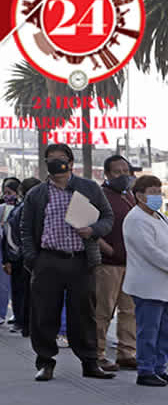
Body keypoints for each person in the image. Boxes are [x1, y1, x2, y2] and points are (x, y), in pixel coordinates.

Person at [20, 144, 116, 381]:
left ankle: (90, 362)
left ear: (71, 162)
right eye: (50, 159)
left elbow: (108, 217)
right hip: (48, 260)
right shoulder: (37, 194)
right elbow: (25, 229)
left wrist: (93, 230)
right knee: (44, 313)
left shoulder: (89, 188)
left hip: (80, 260)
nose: (56, 163)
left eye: (60, 159)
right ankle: (45, 362)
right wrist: (33, 259)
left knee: (84, 313)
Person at [121, 175, 168, 386]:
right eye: (152, 192)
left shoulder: (159, 216)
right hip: (148, 285)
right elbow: (150, 251)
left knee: (166, 329)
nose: (157, 196)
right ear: (139, 195)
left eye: (159, 192)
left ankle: (160, 367)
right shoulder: (135, 219)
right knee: (148, 330)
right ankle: (146, 369)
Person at [94, 156, 138, 372]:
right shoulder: (97, 195)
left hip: (131, 264)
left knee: (129, 311)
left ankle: (126, 353)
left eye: (126, 171)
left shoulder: (129, 195)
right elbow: (78, 221)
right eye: (117, 172)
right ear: (107, 174)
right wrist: (106, 248)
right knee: (103, 310)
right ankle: (97, 353)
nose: (123, 175)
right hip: (107, 264)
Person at [3, 178, 40, 336]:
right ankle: (26, 324)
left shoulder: (20, 209)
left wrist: (12, 256)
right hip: (27, 258)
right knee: (26, 293)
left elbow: (9, 236)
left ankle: (24, 323)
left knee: (22, 293)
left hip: (22, 258)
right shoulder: (28, 209)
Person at [0, 177, 18, 324]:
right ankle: (1, 313)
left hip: (15, 250)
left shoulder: (21, 208)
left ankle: (17, 313)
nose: (7, 196)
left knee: (14, 284)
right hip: (4, 249)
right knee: (3, 284)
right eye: (5, 192)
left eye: (10, 192)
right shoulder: (2, 208)